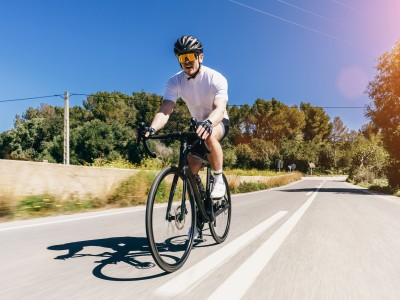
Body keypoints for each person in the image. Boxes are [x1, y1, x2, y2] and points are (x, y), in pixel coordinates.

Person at [145, 35, 230, 199]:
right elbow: (165, 109)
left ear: (200, 57)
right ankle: (198, 215)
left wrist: (209, 123)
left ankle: (218, 178)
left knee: (209, 135)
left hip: (218, 121)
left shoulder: (216, 78)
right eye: (182, 57)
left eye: (190, 56)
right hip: (197, 126)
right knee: (189, 171)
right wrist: (152, 128)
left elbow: (219, 108)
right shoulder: (174, 81)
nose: (187, 61)